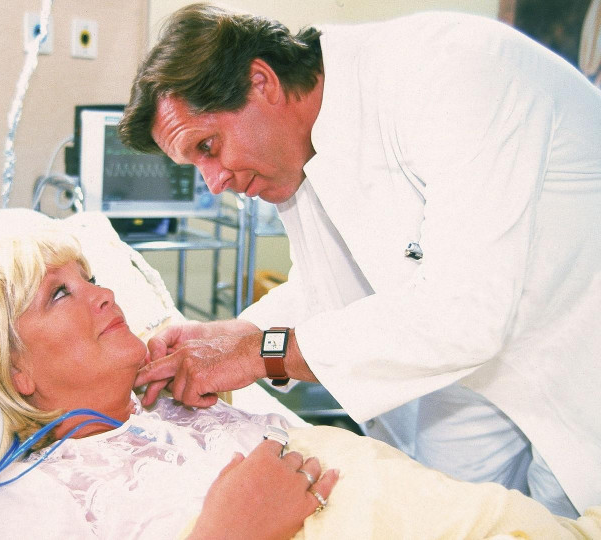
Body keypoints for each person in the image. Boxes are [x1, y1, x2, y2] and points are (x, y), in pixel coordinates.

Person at [120, 3, 601, 520]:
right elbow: (335, 284)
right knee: (450, 516)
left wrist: (259, 352)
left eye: (209, 146)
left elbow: (464, 314)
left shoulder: (453, 71)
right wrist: (237, 334)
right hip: (478, 380)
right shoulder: (300, 150)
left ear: (261, 82)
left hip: (577, 364)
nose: (215, 183)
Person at [0, 227, 601, 539]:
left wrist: (237, 360)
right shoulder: (28, 497)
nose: (102, 294)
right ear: (16, 370)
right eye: (60, 294)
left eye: (91, 277)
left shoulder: (183, 404)